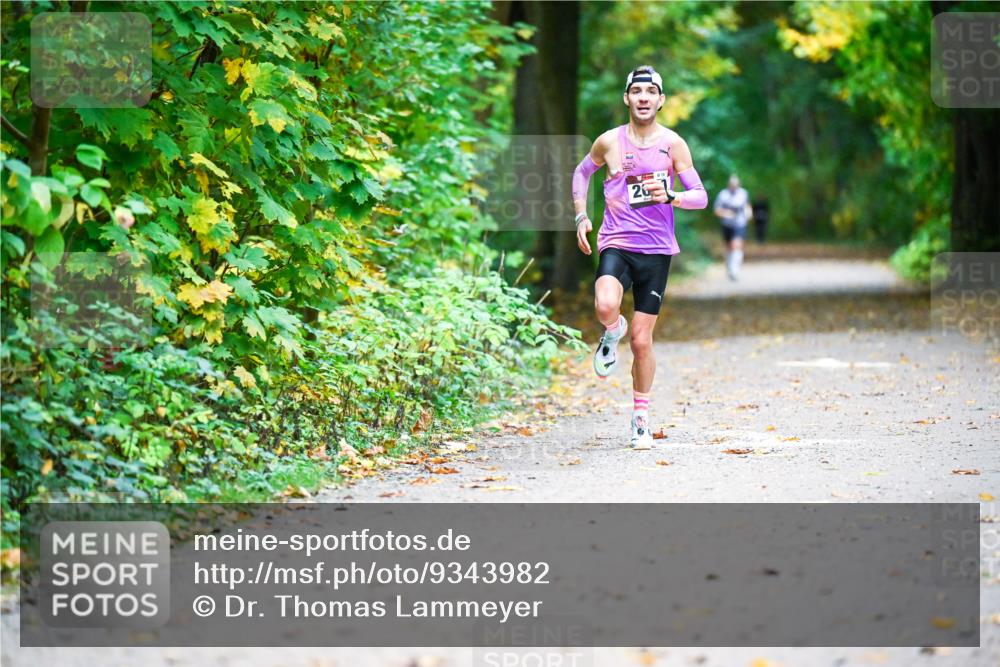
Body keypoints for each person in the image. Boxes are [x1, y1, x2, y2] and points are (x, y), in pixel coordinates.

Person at [571, 65, 707, 449]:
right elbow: (581, 174)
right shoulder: (609, 142)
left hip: (657, 251)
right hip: (616, 241)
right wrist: (581, 215)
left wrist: (673, 196)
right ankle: (611, 331)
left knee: (643, 341)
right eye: (637, 91)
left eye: (651, 91)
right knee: (604, 306)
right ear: (627, 98)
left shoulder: (673, 145)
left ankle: (641, 418)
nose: (644, 97)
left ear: (661, 100)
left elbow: (701, 196)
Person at [713, 174, 752, 280]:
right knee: (728, 247)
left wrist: (749, 213)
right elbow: (717, 210)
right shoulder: (723, 195)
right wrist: (726, 213)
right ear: (729, 184)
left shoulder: (743, 193)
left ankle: (735, 270)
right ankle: (729, 267)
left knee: (736, 245)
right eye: (732, 184)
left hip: (739, 224)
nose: (734, 186)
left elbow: (747, 205)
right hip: (726, 224)